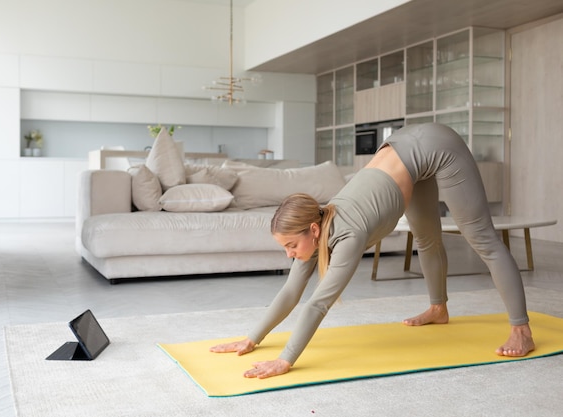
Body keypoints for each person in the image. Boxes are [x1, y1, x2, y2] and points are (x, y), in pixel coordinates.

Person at [210, 122, 535, 379]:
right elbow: (290, 292)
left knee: (482, 238)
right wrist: (251, 339)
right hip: (406, 156)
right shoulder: (315, 227)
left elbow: (317, 304)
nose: (289, 255)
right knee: (426, 239)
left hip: (438, 146)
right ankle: (439, 309)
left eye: (291, 246)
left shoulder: (348, 235)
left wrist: (285, 360)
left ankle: (521, 330)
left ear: (312, 230)